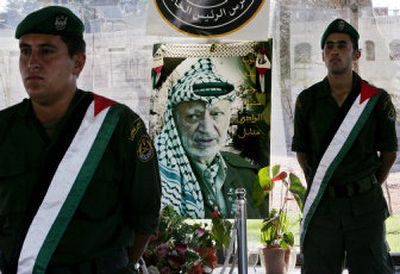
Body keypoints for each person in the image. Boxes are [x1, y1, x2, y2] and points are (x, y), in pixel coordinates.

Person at [0, 6, 161, 274]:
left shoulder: (118, 125)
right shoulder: (4, 128)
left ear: (78, 62)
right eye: (25, 51)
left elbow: (145, 217)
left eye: (47, 51)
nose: (32, 63)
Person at [292, 18, 397, 274]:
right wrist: (321, 182)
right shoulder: (307, 100)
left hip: (365, 206)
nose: (334, 51)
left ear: (356, 54)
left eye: (342, 45)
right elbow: (302, 152)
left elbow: (389, 154)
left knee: (372, 268)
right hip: (324, 207)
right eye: (329, 47)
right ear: (323, 55)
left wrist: (366, 184)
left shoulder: (377, 100)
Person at [155, 58, 266, 219]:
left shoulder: (247, 176)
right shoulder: (162, 178)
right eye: (193, 116)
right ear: (175, 121)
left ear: (228, 117)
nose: (206, 128)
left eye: (216, 114)